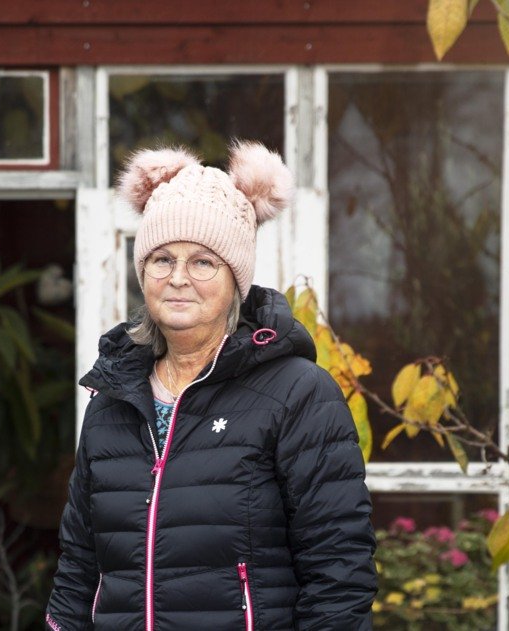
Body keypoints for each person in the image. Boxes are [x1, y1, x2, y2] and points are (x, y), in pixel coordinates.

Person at [46, 141, 377, 631]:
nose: (179, 278)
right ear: (143, 272)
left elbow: (339, 573)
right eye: (162, 259)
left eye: (203, 262)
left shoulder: (298, 394)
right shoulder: (112, 401)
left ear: (235, 279)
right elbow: (78, 569)